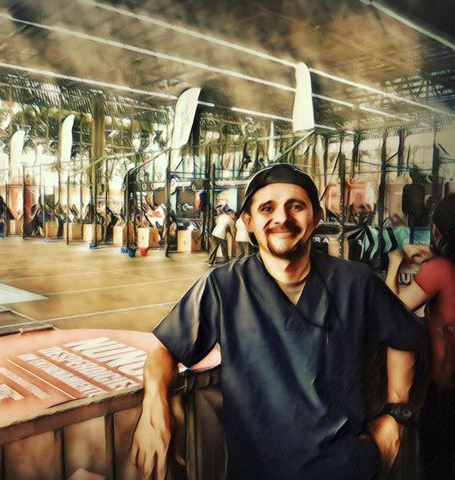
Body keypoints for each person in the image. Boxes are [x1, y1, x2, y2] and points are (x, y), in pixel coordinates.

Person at [131, 163, 427, 480]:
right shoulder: (224, 287)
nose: (281, 218)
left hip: (345, 467)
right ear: (249, 221)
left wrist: (395, 416)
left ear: (316, 218)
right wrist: (155, 406)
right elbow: (164, 351)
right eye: (267, 208)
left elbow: (406, 338)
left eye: (296, 206)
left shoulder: (355, 282)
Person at [385, 194, 455, 480]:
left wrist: (394, 261)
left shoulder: (439, 271)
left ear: (437, 231)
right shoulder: (441, 268)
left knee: (438, 467)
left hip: (443, 396)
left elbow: (390, 310)